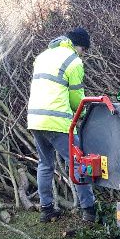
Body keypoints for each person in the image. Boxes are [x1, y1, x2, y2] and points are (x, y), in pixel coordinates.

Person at [27, 27, 97, 223]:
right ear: (79, 46)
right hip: (57, 121)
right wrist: (83, 114)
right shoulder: (73, 61)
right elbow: (77, 100)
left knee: (45, 164)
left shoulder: (43, 56)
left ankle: (46, 209)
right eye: (84, 50)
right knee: (77, 162)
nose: (83, 54)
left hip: (35, 119)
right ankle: (89, 210)